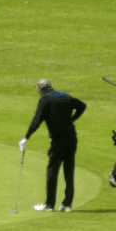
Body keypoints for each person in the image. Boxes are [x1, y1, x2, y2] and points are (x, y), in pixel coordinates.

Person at [18, 78, 86, 212]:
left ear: (39, 89)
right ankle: (67, 205)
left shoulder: (45, 99)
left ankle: (49, 205)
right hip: (71, 138)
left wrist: (26, 136)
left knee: (52, 170)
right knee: (69, 171)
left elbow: (37, 120)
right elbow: (82, 106)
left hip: (58, 140)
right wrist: (71, 120)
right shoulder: (65, 96)